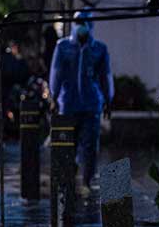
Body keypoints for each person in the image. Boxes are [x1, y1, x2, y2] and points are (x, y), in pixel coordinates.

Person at [49, 10, 114, 197]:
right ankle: (68, 178)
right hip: (68, 104)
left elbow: (105, 76)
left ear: (91, 25)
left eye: (84, 22)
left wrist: (108, 100)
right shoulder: (63, 47)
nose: (81, 26)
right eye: (78, 22)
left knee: (91, 145)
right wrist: (54, 97)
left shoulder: (99, 49)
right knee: (68, 144)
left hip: (91, 104)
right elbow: (56, 73)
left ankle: (87, 180)